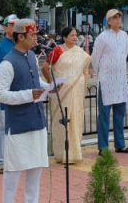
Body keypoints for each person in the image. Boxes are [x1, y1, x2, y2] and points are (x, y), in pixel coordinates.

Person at [0, 19, 56, 203]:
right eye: (32, 34)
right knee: (13, 172)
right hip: (18, 125)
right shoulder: (7, 63)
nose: (36, 38)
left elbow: (36, 82)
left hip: (37, 122)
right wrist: (28, 95)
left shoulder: (31, 56)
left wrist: (49, 87)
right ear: (20, 36)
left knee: (36, 169)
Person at [41, 26, 91, 164]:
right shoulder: (57, 50)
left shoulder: (79, 52)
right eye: (72, 35)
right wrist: (52, 84)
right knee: (63, 121)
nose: (75, 38)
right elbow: (45, 68)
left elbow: (85, 70)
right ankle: (62, 154)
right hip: (61, 93)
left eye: (76, 35)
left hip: (77, 92)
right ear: (64, 37)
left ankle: (75, 153)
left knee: (75, 119)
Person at [90, 8, 128, 154]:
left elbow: (125, 55)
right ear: (108, 21)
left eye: (119, 18)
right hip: (106, 81)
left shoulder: (124, 35)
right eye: (114, 18)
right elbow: (95, 58)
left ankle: (120, 144)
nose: (118, 20)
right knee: (104, 116)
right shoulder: (102, 37)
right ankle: (103, 147)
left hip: (120, 80)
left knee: (120, 115)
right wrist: (101, 73)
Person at [0, 14, 18, 174]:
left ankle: (14, 159)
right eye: (11, 25)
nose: (14, 27)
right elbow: (0, 71)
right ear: (5, 27)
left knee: (18, 128)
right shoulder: (0, 47)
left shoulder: (21, 44)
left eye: (16, 24)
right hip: (6, 92)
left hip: (20, 92)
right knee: (2, 128)